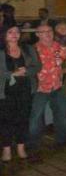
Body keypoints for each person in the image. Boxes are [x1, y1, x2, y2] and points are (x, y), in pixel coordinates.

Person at [28, 21, 66, 156]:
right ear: (37, 34)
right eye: (43, 32)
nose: (47, 35)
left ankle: (62, 140)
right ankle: (33, 144)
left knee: (61, 115)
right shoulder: (31, 50)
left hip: (57, 87)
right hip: (40, 89)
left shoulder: (61, 48)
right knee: (35, 117)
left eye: (49, 32)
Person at [0, 24, 40, 165]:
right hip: (5, 92)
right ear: (4, 34)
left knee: (23, 118)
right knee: (6, 121)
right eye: (10, 32)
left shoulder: (28, 49)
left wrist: (26, 71)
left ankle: (21, 147)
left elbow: (37, 66)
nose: (14, 34)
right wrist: (12, 73)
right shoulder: (1, 51)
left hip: (25, 89)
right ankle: (6, 150)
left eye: (17, 32)